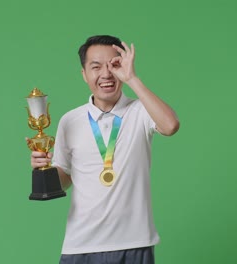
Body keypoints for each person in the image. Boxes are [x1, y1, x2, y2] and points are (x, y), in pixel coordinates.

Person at [29, 35, 180, 264]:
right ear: (84, 74)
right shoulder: (70, 120)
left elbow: (170, 125)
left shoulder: (140, 110)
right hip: (81, 245)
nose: (106, 74)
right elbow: (65, 178)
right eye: (96, 67)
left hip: (134, 243)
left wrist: (132, 79)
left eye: (114, 65)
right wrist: (45, 170)